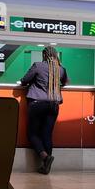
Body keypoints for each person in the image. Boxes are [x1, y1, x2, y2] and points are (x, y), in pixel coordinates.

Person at [20, 46, 68, 175]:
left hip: (36, 103)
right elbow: (66, 82)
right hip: (53, 105)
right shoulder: (61, 69)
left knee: (32, 134)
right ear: (55, 55)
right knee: (47, 134)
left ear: (44, 55)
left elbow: (24, 80)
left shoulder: (38, 66)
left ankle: (45, 158)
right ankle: (46, 166)